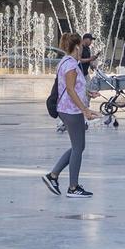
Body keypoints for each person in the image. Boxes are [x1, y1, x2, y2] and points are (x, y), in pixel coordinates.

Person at [42, 33, 98, 199]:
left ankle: (53, 176)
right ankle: (73, 187)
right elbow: (71, 89)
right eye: (81, 45)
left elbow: (72, 87)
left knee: (77, 147)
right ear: (78, 46)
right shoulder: (72, 65)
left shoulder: (66, 62)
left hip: (67, 109)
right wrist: (85, 110)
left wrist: (88, 92)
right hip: (70, 111)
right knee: (78, 148)